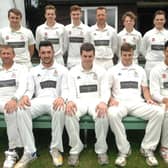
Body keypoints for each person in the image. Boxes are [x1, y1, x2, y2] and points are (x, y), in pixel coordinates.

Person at [107, 43, 164, 167]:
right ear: (120, 55)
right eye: (125, 55)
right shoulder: (113, 70)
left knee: (159, 112)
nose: (127, 57)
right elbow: (107, 89)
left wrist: (148, 99)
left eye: (130, 55)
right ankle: (124, 150)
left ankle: (147, 148)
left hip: (137, 103)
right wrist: (111, 99)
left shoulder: (140, 70)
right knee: (111, 114)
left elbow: (145, 89)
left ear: (133, 55)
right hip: (120, 103)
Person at [14, 41, 68, 168]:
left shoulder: (62, 70)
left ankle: (55, 149)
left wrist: (62, 98)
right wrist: (26, 97)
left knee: (60, 109)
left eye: (49, 52)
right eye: (43, 53)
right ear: (39, 54)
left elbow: (66, 89)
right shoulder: (33, 71)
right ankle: (30, 151)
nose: (46, 55)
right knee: (21, 109)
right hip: (38, 101)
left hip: (54, 101)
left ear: (53, 53)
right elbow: (30, 90)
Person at [65, 43, 109, 166]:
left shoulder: (101, 71)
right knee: (69, 113)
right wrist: (70, 102)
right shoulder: (73, 71)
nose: (88, 59)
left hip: (96, 101)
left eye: (90, 56)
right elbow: (71, 91)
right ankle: (75, 149)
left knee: (103, 113)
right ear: (81, 56)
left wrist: (103, 102)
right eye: (85, 56)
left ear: (94, 56)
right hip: (79, 101)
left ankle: (101, 150)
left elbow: (105, 90)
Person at [0, 45, 28, 168]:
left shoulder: (21, 69)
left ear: (13, 55)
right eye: (3, 53)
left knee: (9, 110)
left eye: (8, 53)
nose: (6, 56)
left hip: (13, 100)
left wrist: (14, 99)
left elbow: (23, 86)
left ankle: (13, 150)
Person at [150, 40, 168, 164]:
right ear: (164, 52)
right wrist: (165, 100)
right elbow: (154, 93)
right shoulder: (156, 70)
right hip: (162, 101)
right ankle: (165, 147)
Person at [140, 10, 168, 78]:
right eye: (157, 19)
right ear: (154, 21)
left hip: (164, 64)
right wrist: (149, 57)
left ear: (165, 21)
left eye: (161, 19)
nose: (159, 21)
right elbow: (142, 49)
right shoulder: (148, 34)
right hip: (150, 64)